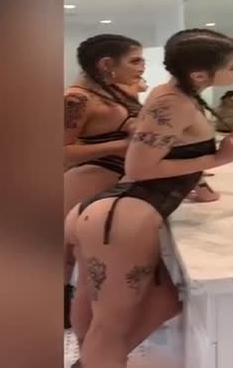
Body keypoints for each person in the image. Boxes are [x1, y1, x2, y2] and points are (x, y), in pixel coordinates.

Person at [64, 28, 233, 368]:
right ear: (199, 74)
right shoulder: (172, 102)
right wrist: (219, 158)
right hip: (121, 216)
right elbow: (139, 168)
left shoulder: (178, 96)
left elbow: (171, 154)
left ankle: (89, 360)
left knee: (121, 310)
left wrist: (201, 183)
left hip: (112, 213)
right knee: (111, 329)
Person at [63, 34, 145, 330]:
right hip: (85, 180)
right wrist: (120, 146)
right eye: (135, 60)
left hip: (109, 183)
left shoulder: (110, 92)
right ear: (107, 64)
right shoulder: (76, 99)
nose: (142, 67)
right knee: (67, 258)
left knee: (83, 262)